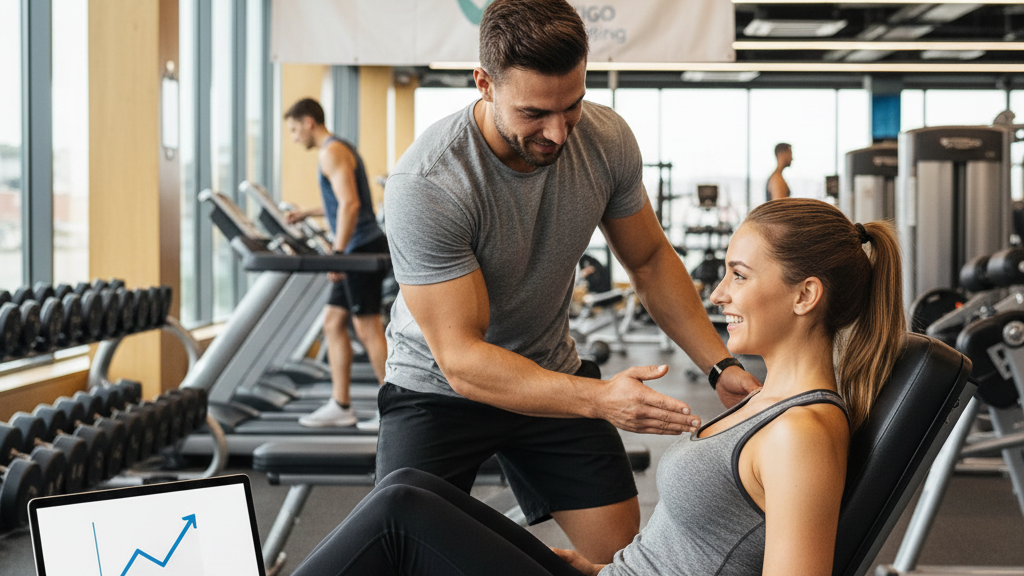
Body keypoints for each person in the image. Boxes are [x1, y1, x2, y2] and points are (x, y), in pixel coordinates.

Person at [288, 198, 906, 576]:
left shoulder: (801, 432)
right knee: (410, 490)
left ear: (805, 295)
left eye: (738, 276)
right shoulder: (765, 401)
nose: (716, 295)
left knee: (401, 514)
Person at [379, 0, 760, 563]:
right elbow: (462, 358)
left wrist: (720, 365)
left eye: (572, 105)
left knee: (623, 560)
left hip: (549, 369)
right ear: (484, 83)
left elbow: (651, 259)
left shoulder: (605, 139)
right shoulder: (430, 182)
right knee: (399, 555)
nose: (557, 132)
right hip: (437, 389)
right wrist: (602, 398)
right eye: (534, 112)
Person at [282, 98, 391, 429]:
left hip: (360, 248)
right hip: (357, 246)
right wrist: (307, 212)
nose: (293, 137)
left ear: (309, 122)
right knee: (332, 322)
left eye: (293, 129)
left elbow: (350, 204)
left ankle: (395, 408)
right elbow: (340, 200)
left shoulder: (331, 152)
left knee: (367, 326)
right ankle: (341, 404)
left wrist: (339, 254)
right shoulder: (336, 150)